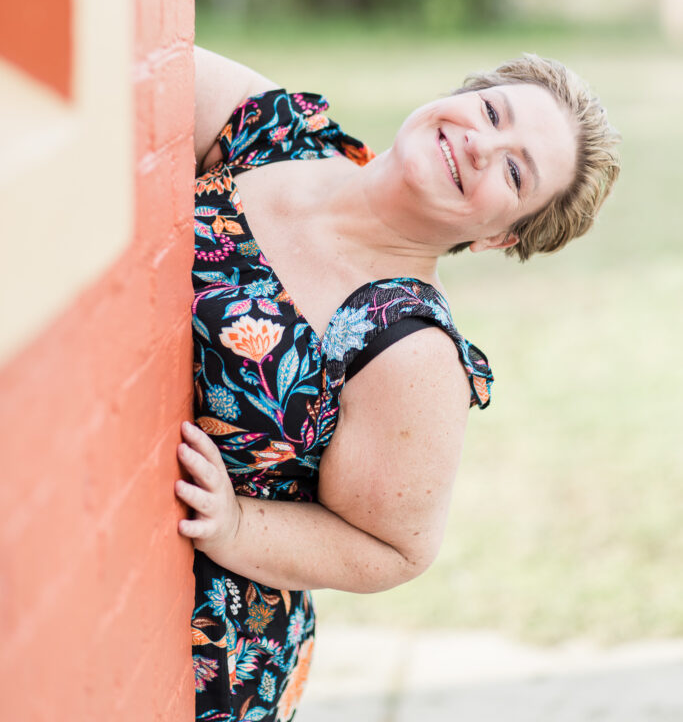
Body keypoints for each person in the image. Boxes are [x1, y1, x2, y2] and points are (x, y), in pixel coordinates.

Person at [176, 47, 620, 721]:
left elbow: (394, 549)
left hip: (194, 650)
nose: (480, 144)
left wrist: (236, 526)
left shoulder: (406, 347)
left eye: (512, 170)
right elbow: (136, 45)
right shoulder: (277, 134)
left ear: (499, 236)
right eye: (491, 111)